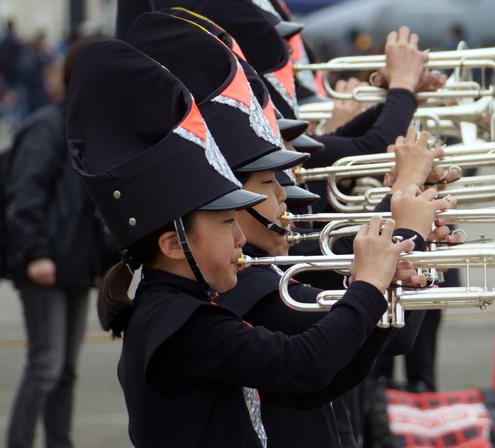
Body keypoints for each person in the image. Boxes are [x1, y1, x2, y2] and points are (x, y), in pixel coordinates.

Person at [67, 38, 418, 447]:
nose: (239, 237)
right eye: (225, 222)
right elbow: (301, 363)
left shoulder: (187, 309)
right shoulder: (180, 324)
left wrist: (377, 293)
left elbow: (313, 386)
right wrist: (367, 287)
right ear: (173, 244)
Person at [4, 35, 118, 448]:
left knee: (65, 370)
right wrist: (36, 253)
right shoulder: (48, 128)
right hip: (46, 265)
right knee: (46, 366)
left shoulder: (85, 131)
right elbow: (24, 197)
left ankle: (59, 443)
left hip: (73, 264)